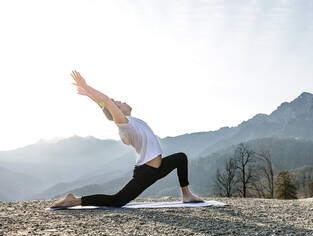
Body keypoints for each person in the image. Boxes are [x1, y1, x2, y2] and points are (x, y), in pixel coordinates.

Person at [49, 71, 203, 208]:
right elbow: (107, 103)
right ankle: (74, 201)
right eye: (118, 104)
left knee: (180, 158)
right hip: (147, 171)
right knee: (118, 200)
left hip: (159, 167)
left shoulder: (132, 121)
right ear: (118, 112)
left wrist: (91, 96)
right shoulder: (125, 124)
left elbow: (105, 105)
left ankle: (186, 194)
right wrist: (88, 87)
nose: (120, 101)